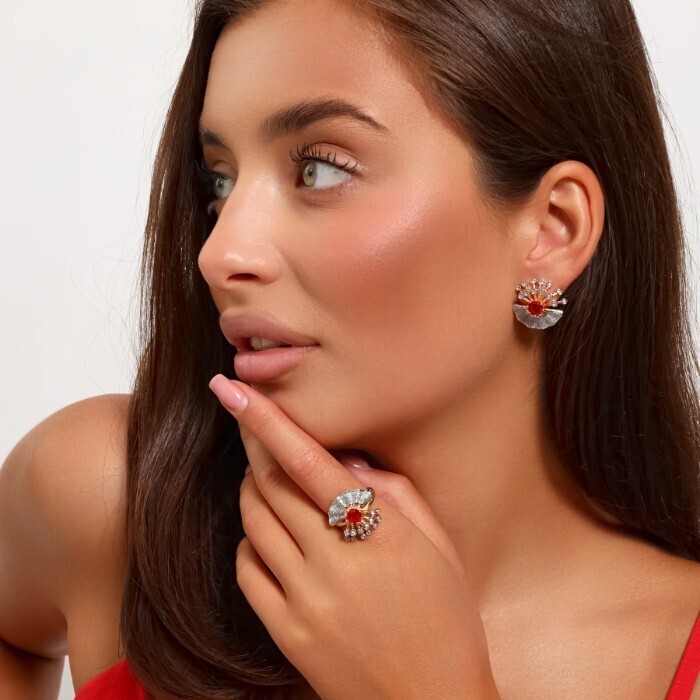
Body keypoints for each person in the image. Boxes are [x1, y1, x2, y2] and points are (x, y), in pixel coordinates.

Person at [1, 0, 699, 697]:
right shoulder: (114, 505)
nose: (220, 253)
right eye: (221, 182)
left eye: (319, 170)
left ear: (552, 230)